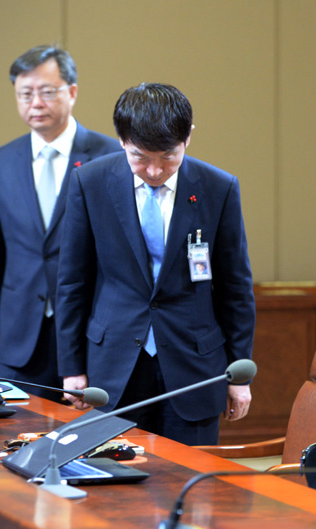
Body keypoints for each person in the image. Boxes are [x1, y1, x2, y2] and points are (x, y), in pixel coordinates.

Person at [56, 83, 255, 445]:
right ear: (121, 140)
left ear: (188, 138)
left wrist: (238, 376)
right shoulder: (91, 182)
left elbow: (236, 287)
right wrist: (72, 368)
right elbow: (72, 282)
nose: (153, 170)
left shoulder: (218, 187)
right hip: (113, 365)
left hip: (194, 365)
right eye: (140, 156)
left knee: (191, 490)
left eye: (167, 156)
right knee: (112, 488)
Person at [0, 45, 121, 401]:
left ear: (72, 92)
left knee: (83, 438)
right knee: (16, 437)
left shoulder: (109, 157)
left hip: (89, 329)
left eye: (46, 91)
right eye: (25, 94)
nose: (35, 103)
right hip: (18, 330)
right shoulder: (1, 161)